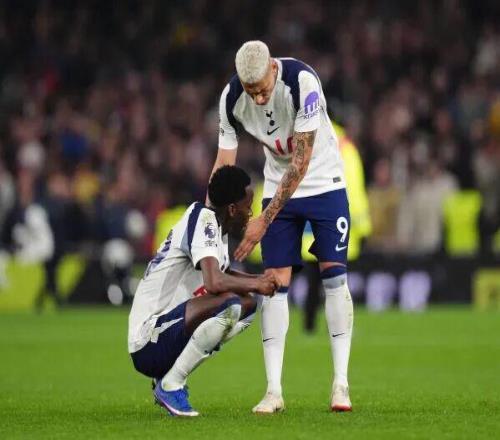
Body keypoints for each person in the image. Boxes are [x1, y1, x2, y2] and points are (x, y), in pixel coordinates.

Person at [210, 41, 354, 413]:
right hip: (277, 184)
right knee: (273, 284)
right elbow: (223, 167)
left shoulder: (303, 83)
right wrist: (211, 223)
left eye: (262, 89)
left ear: (273, 68)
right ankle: (273, 391)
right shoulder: (231, 99)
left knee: (334, 278)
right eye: (250, 91)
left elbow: (301, 163)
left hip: (324, 182)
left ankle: (340, 384)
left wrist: (263, 219)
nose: (257, 99)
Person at [128, 165, 279, 417]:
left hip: (168, 332)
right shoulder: (204, 220)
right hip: (147, 340)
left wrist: (260, 281)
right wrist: (257, 283)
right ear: (232, 209)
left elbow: (224, 274)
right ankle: (171, 384)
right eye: (247, 207)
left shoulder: (216, 228)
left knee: (248, 305)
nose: (250, 214)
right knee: (229, 305)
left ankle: (168, 376)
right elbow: (214, 283)